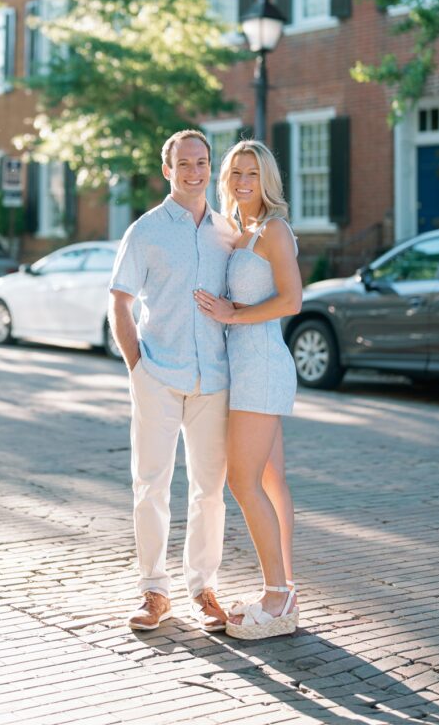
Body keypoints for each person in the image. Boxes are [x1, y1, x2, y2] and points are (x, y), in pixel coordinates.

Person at [109, 129, 237, 632]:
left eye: (202, 162)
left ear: (211, 167)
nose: (193, 171)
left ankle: (202, 588)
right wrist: (136, 366)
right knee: (151, 485)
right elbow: (119, 300)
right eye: (183, 163)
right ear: (168, 170)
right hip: (157, 374)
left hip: (215, 379)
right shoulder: (144, 231)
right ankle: (153, 590)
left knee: (210, 490)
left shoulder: (227, 232)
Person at [194, 139, 302, 640]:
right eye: (236, 172)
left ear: (267, 181)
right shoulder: (240, 233)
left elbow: (292, 301)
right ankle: (285, 589)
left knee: (242, 482)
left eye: (252, 174)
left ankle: (277, 598)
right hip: (247, 366)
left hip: (260, 365)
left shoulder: (273, 230)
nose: (242, 181)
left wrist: (232, 313)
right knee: (273, 482)